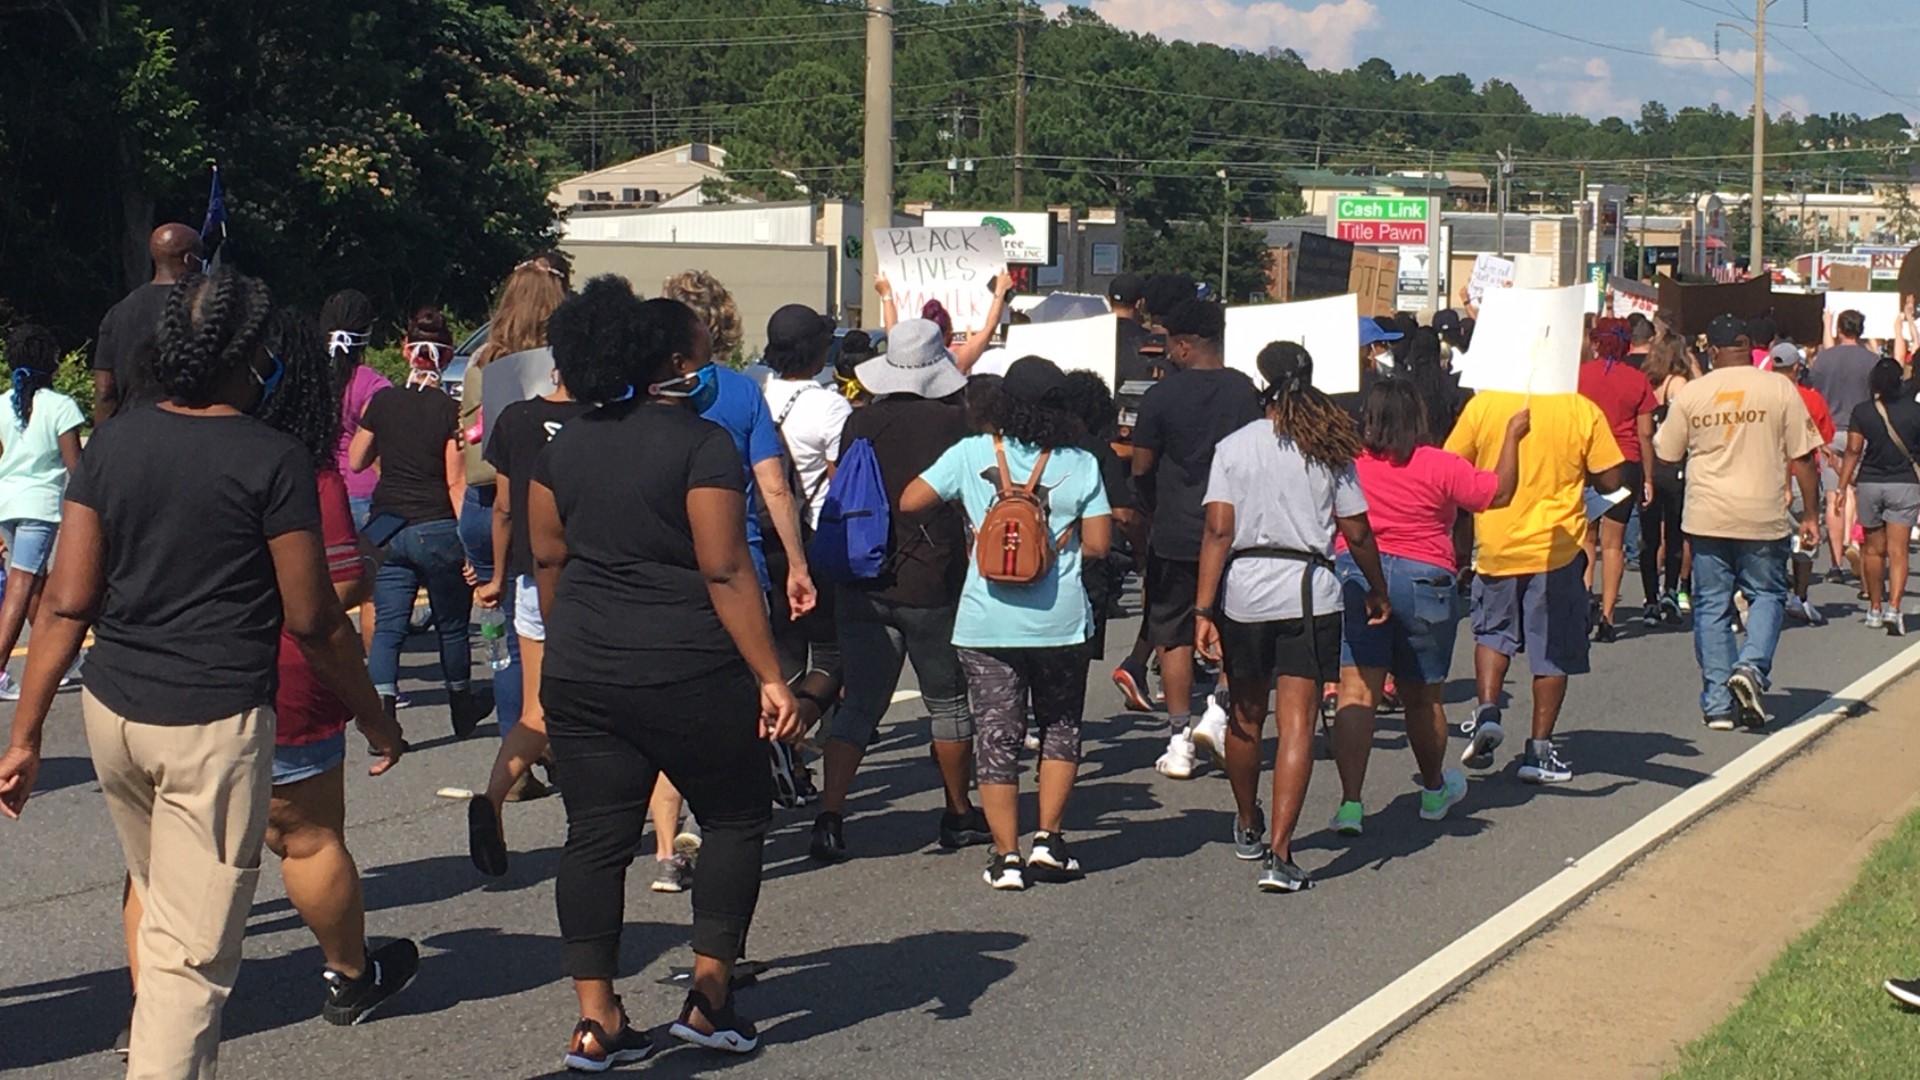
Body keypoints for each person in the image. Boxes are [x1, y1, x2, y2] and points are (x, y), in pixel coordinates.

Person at [0, 268, 403, 1079]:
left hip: (115, 713)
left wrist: (27, 731)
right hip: (212, 721)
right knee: (195, 955)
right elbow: (315, 619)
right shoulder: (273, 458)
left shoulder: (114, 443)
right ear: (252, 356)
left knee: (156, 896)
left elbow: (67, 606)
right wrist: (374, 714)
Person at [118, 306, 420, 1034]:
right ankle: (350, 974)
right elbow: (331, 595)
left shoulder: (131, 445)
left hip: (151, 679)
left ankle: (152, 1009)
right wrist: (375, 716)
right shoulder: (296, 464)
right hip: (279, 676)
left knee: (157, 864)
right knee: (307, 837)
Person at [526, 279, 796, 1066]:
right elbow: (723, 569)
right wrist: (771, 674)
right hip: (688, 667)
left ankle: (596, 1016)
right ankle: (710, 997)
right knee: (737, 817)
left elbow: (548, 556)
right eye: (706, 356)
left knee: (595, 838)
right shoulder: (702, 444)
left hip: (583, 668)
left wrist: (574, 629)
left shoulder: (561, 445)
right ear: (677, 362)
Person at [902, 355, 1112, 891]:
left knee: (997, 735)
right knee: (1059, 727)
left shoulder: (972, 453)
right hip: (1060, 622)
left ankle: (1006, 857)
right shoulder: (1081, 463)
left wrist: (973, 522)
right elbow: (1099, 545)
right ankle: (1049, 840)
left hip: (985, 621)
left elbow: (911, 500)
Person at [1193, 342, 1390, 893]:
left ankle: (1248, 818)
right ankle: (1281, 853)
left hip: (1246, 592)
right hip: (1310, 590)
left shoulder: (1234, 447)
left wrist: (1204, 608)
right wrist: (1376, 588)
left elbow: (1218, 531)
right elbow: (1355, 530)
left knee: (1245, 715)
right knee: (1298, 722)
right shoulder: (1330, 445)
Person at [653, 269, 815, 891]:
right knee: (737, 699)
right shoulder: (743, 393)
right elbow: (774, 484)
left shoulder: (637, 390)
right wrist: (796, 563)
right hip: (736, 561)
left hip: (665, 562)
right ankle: (721, 827)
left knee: (669, 706)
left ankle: (667, 846)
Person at [810, 319, 983, 861]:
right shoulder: (956, 424)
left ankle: (830, 816)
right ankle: (957, 813)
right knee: (949, 702)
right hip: (933, 579)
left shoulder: (859, 424)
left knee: (859, 704)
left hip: (863, 576)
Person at [1329, 378, 1527, 836]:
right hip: (1426, 577)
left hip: (1361, 573)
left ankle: (1351, 804)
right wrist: (1512, 437)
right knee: (1423, 695)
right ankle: (1434, 788)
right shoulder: (1440, 463)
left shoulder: (1350, 464)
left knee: (1357, 694)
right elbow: (1497, 493)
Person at [1444, 348, 1624, 783]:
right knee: (1553, 652)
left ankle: (1488, 708)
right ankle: (1538, 751)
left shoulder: (1484, 403)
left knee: (1492, 634)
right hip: (1556, 549)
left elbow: (1453, 464)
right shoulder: (1581, 409)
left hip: (1496, 543)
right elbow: (1613, 479)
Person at [1654, 314, 1821, 730]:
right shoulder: (1780, 387)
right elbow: (1802, 458)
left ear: (1712, 352)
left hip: (1708, 515)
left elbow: (1668, 453)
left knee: (1711, 605)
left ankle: (1716, 704)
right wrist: (1812, 515)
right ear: (1749, 347)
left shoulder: (1694, 393)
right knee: (1766, 594)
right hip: (1762, 512)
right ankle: (1751, 666)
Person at [467, 343, 592, 876]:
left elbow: (502, 507)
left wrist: (496, 575)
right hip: (592, 577)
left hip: (531, 575)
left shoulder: (517, 419)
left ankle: (492, 797)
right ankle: (593, 822)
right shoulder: (603, 420)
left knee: (537, 708)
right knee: (600, 704)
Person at [1127, 298, 1264, 779]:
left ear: (1184, 346)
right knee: (1233, 626)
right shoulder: (1246, 392)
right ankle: (1220, 712)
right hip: (1235, 529)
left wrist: (1153, 501)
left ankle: (1178, 737)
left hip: (1175, 529)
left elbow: (1141, 465)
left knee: (1173, 633)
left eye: (1167, 343)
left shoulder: (1161, 397)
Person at [350, 308, 492, 739]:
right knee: (451, 624)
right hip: (436, 525)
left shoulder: (382, 402)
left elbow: (357, 459)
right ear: (447, 357)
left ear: (406, 351)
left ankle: (384, 717)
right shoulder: (449, 412)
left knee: (389, 625)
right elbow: (454, 481)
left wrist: (389, 472)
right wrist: (471, 547)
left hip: (387, 525)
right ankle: (462, 705)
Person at [461, 257, 570, 743]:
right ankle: (555, 735)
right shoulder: (564, 363)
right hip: (543, 504)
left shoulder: (484, 360)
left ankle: (517, 741)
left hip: (485, 499)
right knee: (553, 628)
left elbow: (468, 435)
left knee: (503, 633)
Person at [0, 325, 85, 700]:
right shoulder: (61, 406)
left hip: (7, 505)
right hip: (39, 508)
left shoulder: (1, 404)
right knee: (22, 585)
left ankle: (59, 660)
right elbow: (77, 470)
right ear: (49, 362)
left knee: (34, 582)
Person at [1577, 318, 1657, 642]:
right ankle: (1608, 617)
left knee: (1585, 540)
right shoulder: (1637, 381)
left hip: (1584, 461)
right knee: (1614, 544)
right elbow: (1646, 433)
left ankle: (1583, 601)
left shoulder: (1579, 377)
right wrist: (1649, 477)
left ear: (1596, 342)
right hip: (1624, 463)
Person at [1836, 358, 1920, 635]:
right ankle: (1894, 608)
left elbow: (1852, 450)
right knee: (1899, 552)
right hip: (1904, 483)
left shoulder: (1862, 412)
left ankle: (1874, 607)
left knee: (1872, 550)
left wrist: (1842, 486)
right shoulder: (1915, 411)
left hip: (1870, 482)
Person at [91, 223, 204, 423]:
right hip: (190, 427)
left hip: (131, 430)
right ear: (189, 259)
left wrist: (102, 440)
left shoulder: (118, 312)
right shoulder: (204, 308)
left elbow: (105, 390)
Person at [1809, 310, 1878, 580]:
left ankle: (1835, 563)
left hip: (1829, 430)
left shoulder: (1824, 359)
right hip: (1861, 430)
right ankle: (1853, 540)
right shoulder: (1871, 361)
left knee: (1832, 495)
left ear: (1839, 329)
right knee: (1855, 492)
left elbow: (1816, 386)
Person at [1772, 344, 1836, 626]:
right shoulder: (1811, 399)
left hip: (1767, 475)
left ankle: (1766, 595)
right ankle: (1799, 595)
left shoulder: (1762, 398)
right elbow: (1823, 439)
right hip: (1802, 477)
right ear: (1797, 367)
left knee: (1768, 541)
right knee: (1804, 537)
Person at [1639, 333, 1694, 624]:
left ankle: (1650, 598)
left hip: (1648, 464)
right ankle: (1670, 591)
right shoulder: (1679, 384)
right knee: (1674, 532)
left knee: (1649, 535)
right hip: (1673, 463)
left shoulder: (1647, 383)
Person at [876, 269, 1016, 375]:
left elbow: (893, 332)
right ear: (949, 333)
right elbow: (989, 328)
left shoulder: (908, 360)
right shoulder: (954, 362)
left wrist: (886, 294)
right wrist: (999, 292)